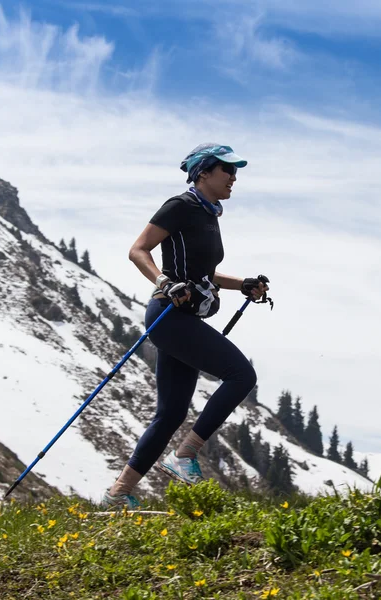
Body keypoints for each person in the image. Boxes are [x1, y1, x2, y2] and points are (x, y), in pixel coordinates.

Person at [102, 143, 269, 509]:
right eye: (228, 170)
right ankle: (185, 454)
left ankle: (118, 494)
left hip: (184, 319)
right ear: (204, 172)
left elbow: (204, 274)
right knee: (241, 375)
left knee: (172, 413)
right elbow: (138, 250)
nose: (234, 178)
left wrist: (242, 283)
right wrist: (164, 282)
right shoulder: (180, 206)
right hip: (169, 315)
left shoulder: (210, 215)